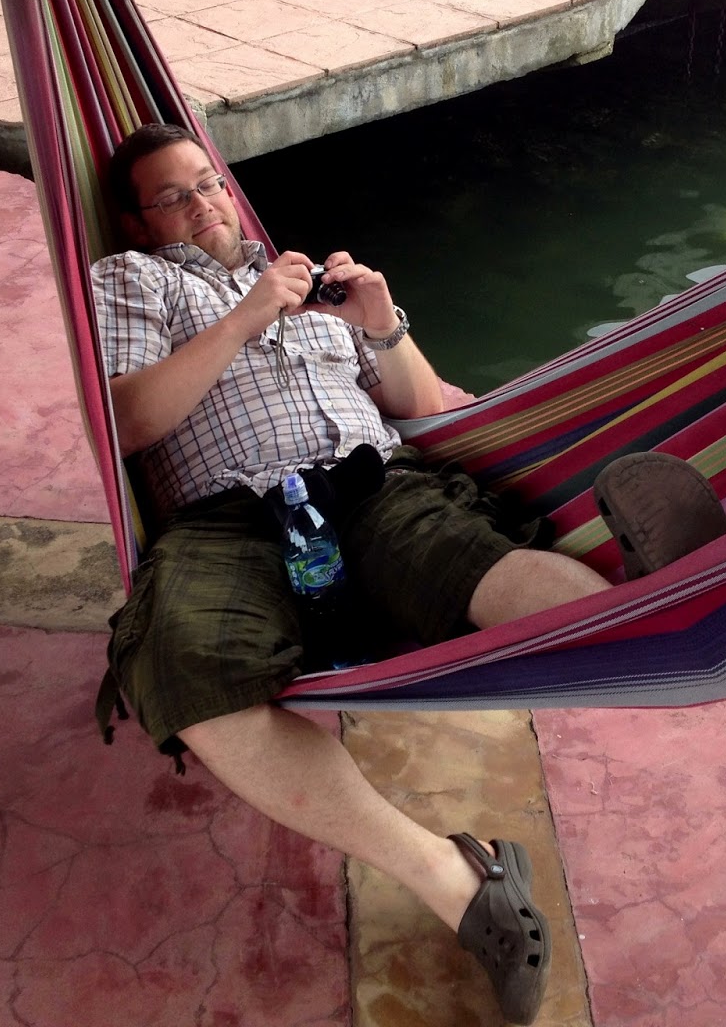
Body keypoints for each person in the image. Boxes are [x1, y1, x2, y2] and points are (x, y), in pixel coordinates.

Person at [90, 122, 614, 1024]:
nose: (202, 203)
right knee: (182, 671)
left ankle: (656, 590)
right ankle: (455, 880)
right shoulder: (136, 279)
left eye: (206, 183)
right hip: (229, 517)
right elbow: (130, 422)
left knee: (485, 569)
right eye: (173, 197)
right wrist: (248, 314)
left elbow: (420, 404)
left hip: (371, 485)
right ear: (140, 224)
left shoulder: (310, 289)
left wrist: (382, 324)